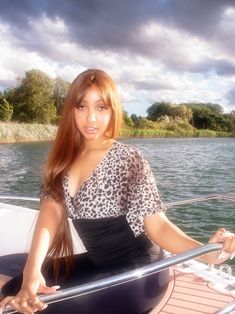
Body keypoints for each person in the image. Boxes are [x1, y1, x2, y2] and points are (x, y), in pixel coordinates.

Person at [0, 69, 234, 314]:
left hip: (140, 273)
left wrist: (207, 255)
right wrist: (31, 271)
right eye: (81, 107)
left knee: (38, 306)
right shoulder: (62, 161)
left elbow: (158, 226)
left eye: (101, 107)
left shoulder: (127, 158)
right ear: (70, 110)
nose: (91, 118)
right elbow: (50, 214)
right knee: (17, 288)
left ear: (113, 111)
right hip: (97, 263)